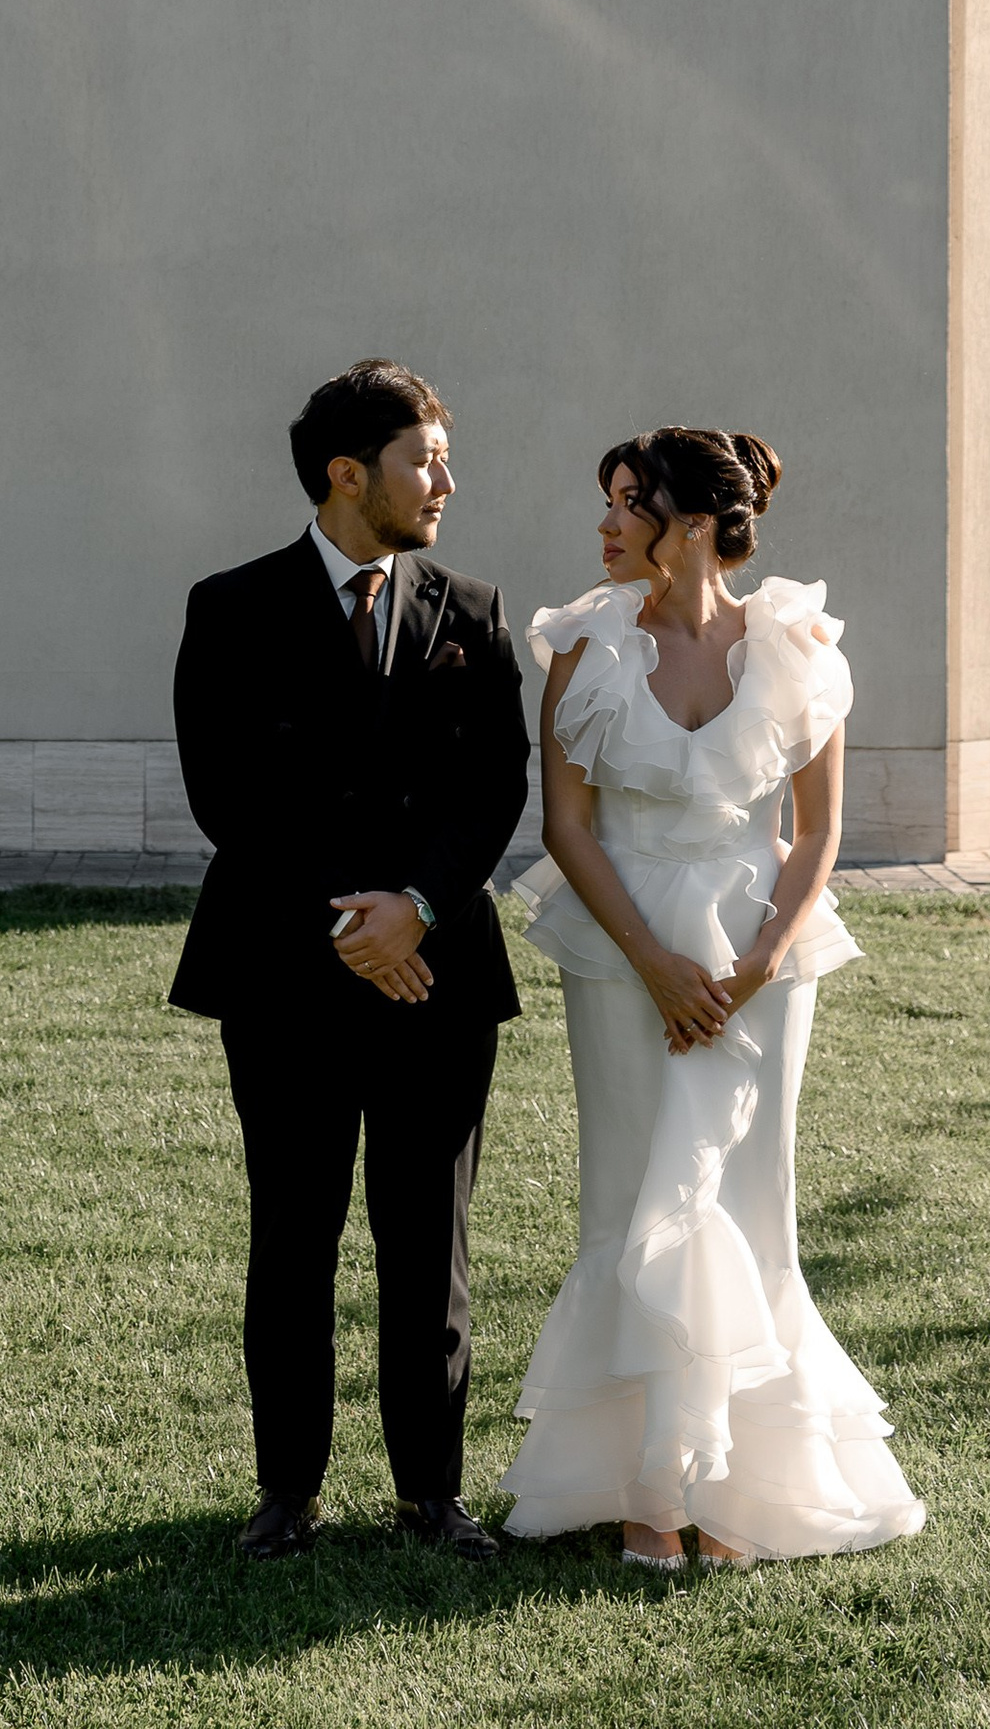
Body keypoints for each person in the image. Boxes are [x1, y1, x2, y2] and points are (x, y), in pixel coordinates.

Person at [502, 427, 927, 1570]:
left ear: (692, 523)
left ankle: (737, 1487)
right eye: (606, 500)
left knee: (747, 1198)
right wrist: (650, 959)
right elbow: (566, 827)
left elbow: (818, 831)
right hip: (618, 949)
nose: (604, 523)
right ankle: (645, 1489)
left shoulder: (796, 644)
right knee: (628, 1192)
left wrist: (758, 962)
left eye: (626, 501)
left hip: (758, 957)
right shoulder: (583, 645)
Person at [169, 360, 531, 1562]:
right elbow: (227, 795)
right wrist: (349, 925)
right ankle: (288, 1491)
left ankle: (433, 1492)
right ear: (346, 473)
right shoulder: (230, 607)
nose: (445, 482)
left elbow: (494, 785)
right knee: (293, 1237)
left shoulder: (472, 611)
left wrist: (414, 908)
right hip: (284, 968)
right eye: (425, 460)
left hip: (439, 972)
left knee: (429, 1242)